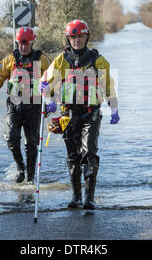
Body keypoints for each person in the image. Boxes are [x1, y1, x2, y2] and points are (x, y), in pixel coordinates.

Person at [39, 20, 119, 209]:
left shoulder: (98, 60)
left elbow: (109, 86)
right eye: (73, 37)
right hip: (68, 114)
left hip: (90, 114)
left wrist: (114, 108)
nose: (76, 40)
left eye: (80, 36)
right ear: (68, 38)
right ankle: (75, 197)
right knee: (73, 156)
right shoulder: (61, 59)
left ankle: (89, 198)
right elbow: (45, 82)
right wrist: (48, 99)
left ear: (86, 36)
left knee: (89, 152)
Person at [0, 27, 53, 183]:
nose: (23, 48)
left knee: (31, 143)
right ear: (17, 43)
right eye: (20, 44)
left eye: (26, 45)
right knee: (12, 138)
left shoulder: (42, 59)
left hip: (34, 106)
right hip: (14, 105)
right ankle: (20, 167)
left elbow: (56, 78)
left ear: (32, 43)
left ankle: (30, 178)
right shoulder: (10, 59)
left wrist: (50, 97)